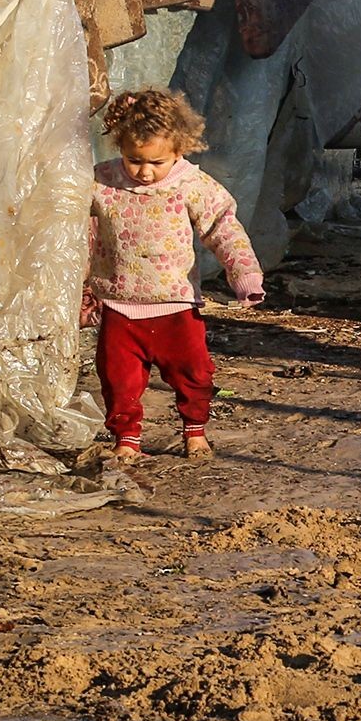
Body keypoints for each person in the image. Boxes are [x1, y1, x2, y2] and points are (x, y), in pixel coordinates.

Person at [84, 87, 262, 461]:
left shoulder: (191, 186)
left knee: (193, 374)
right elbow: (72, 227)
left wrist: (244, 276)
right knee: (118, 381)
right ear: (119, 145)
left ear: (179, 150)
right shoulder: (102, 182)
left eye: (157, 162)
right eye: (134, 160)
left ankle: (194, 432)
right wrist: (81, 286)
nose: (145, 172)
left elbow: (223, 228)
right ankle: (127, 439)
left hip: (176, 304)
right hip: (119, 305)